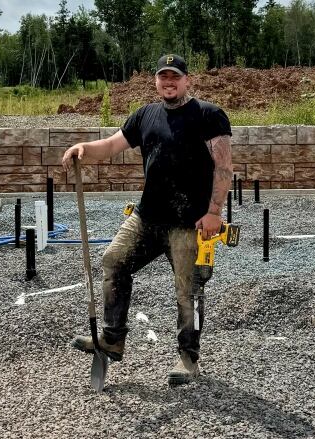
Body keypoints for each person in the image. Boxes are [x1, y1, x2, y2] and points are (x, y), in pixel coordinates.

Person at [61, 54, 233, 386]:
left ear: (187, 80)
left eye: (175, 77)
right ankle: (112, 337)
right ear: (156, 80)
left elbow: (223, 167)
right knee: (113, 260)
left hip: (189, 224)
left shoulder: (208, 115)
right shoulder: (145, 115)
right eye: (163, 76)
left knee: (188, 291)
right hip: (147, 216)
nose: (169, 82)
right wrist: (83, 147)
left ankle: (188, 360)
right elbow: (111, 145)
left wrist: (214, 211)